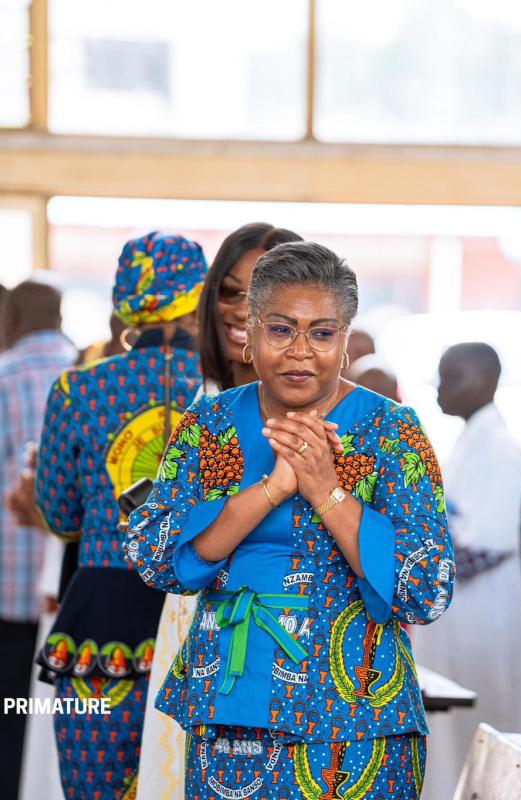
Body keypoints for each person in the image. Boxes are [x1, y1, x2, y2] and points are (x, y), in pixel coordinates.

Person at [128, 241, 454, 799]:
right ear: (250, 336)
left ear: (346, 342)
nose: (301, 351)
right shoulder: (211, 425)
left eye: (323, 333)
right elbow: (156, 556)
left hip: (360, 720)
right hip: (233, 711)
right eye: (281, 330)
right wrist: (273, 487)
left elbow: (426, 589)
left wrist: (326, 490)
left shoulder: (392, 432)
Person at [35, 232, 207, 799]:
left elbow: (60, 514)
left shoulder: (77, 390)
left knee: (97, 784)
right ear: (198, 299)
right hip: (201, 617)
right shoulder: (226, 394)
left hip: (101, 629)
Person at [138, 222, 302, 800]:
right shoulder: (197, 412)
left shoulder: (335, 412)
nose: (243, 308)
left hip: (292, 657)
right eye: (231, 292)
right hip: (190, 630)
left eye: (264, 291)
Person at [413, 342, 521, 799]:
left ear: (485, 381)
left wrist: (415, 548)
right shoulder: (470, 443)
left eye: (449, 377)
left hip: (490, 616)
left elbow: (481, 544)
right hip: (463, 616)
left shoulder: (501, 452)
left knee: (484, 721)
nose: (437, 388)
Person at [0, 280, 77, 800]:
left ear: (11, 321)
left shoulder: (3, 378)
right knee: (54, 715)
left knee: (8, 715)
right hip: (68, 586)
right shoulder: (87, 375)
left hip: (8, 588)